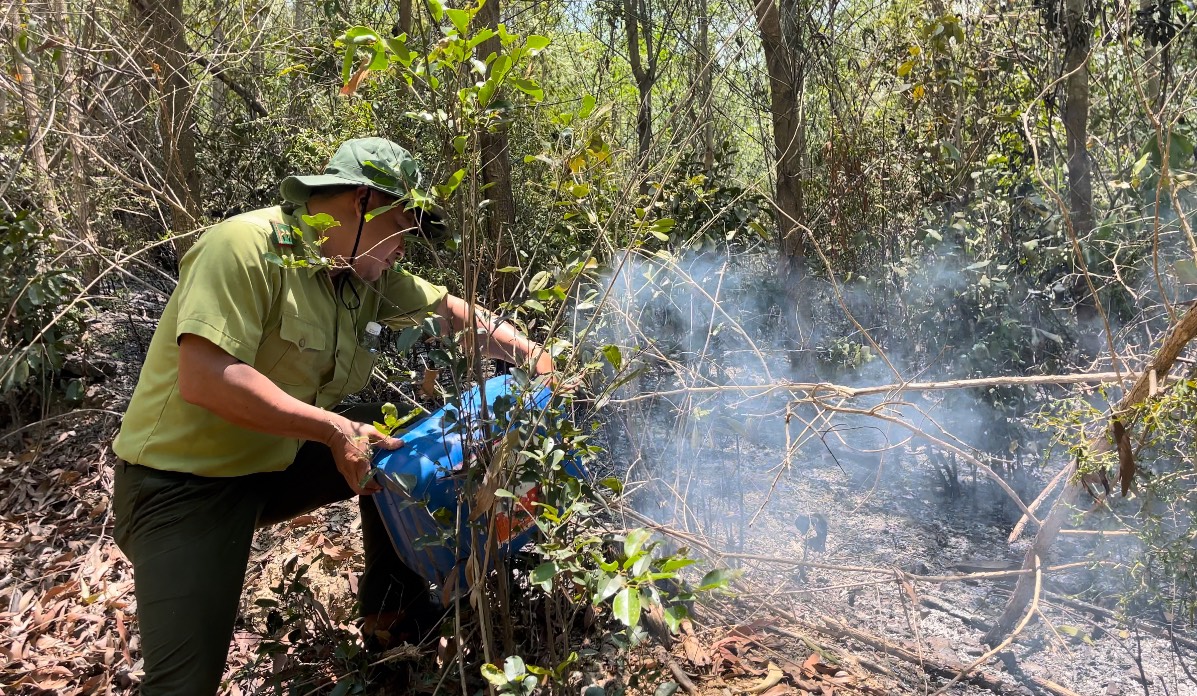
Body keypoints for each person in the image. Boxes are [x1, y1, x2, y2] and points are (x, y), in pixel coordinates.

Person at [111, 137, 557, 696]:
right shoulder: (243, 246)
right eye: (403, 223)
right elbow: (206, 377)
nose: (407, 245)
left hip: (274, 463)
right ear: (360, 201)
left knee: (395, 439)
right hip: (182, 487)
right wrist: (331, 430)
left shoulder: (361, 273)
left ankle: (394, 620)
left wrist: (536, 357)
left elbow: (450, 313)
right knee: (183, 684)